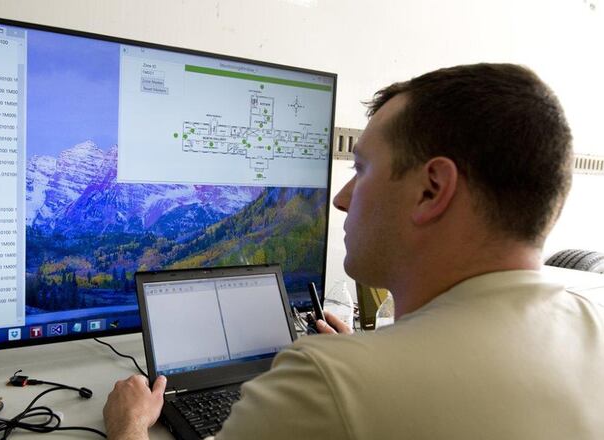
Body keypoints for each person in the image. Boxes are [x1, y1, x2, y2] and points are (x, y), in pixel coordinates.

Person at [103, 63, 604, 439]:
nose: (341, 199)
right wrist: (372, 353)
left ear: (432, 189)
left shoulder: (326, 385)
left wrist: (130, 427)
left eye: (361, 169)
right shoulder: (593, 327)